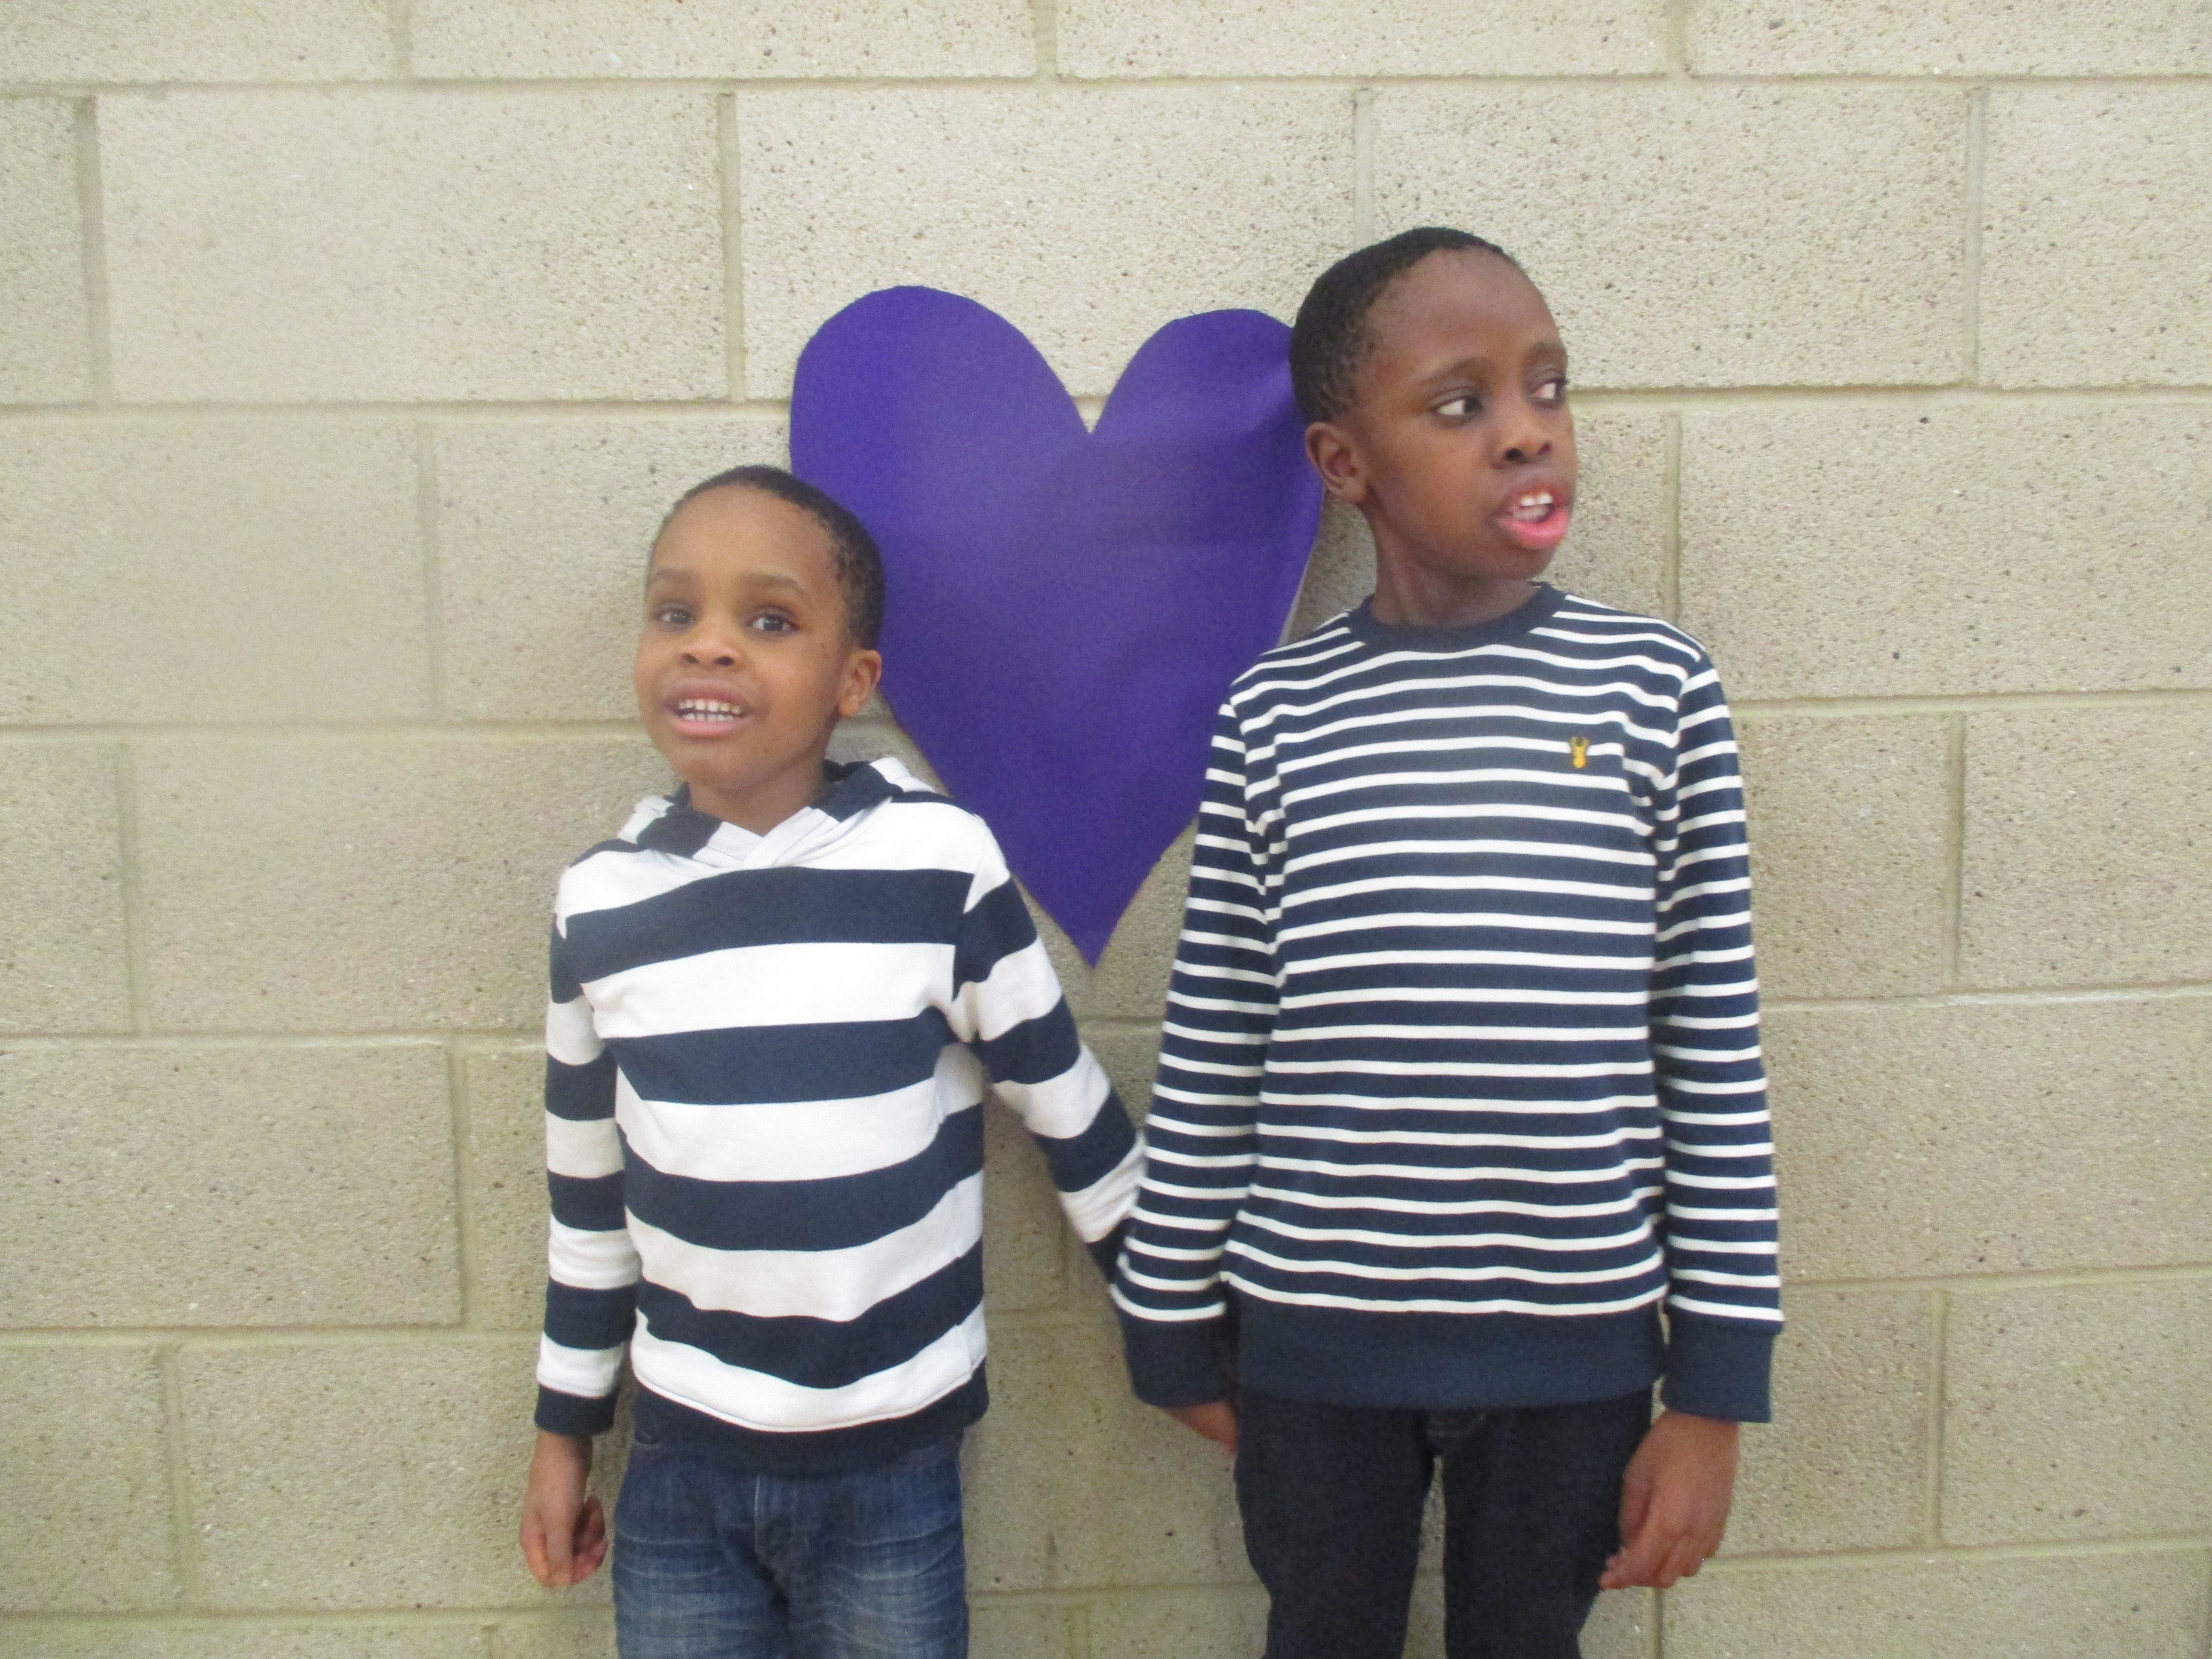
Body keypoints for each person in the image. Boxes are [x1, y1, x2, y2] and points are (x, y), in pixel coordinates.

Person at [1109, 229, 1782, 1659]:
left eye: (1548, 385)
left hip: (1577, 1361)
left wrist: (1716, 1392)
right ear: (1345, 464)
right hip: (1312, 1349)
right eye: (1462, 402)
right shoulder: (1276, 717)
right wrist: (1164, 1311)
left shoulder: (1656, 692)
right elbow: (1220, 1033)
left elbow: (1711, 1051)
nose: (1527, 430)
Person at [518, 464, 1142, 1659]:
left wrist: (1178, 1318)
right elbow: (588, 1210)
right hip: (680, 1465)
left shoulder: (937, 864)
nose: (709, 646)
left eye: (769, 620)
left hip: (891, 1467)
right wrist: (563, 1438)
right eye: (675, 612)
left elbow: (1069, 1111)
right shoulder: (600, 904)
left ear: (854, 681)